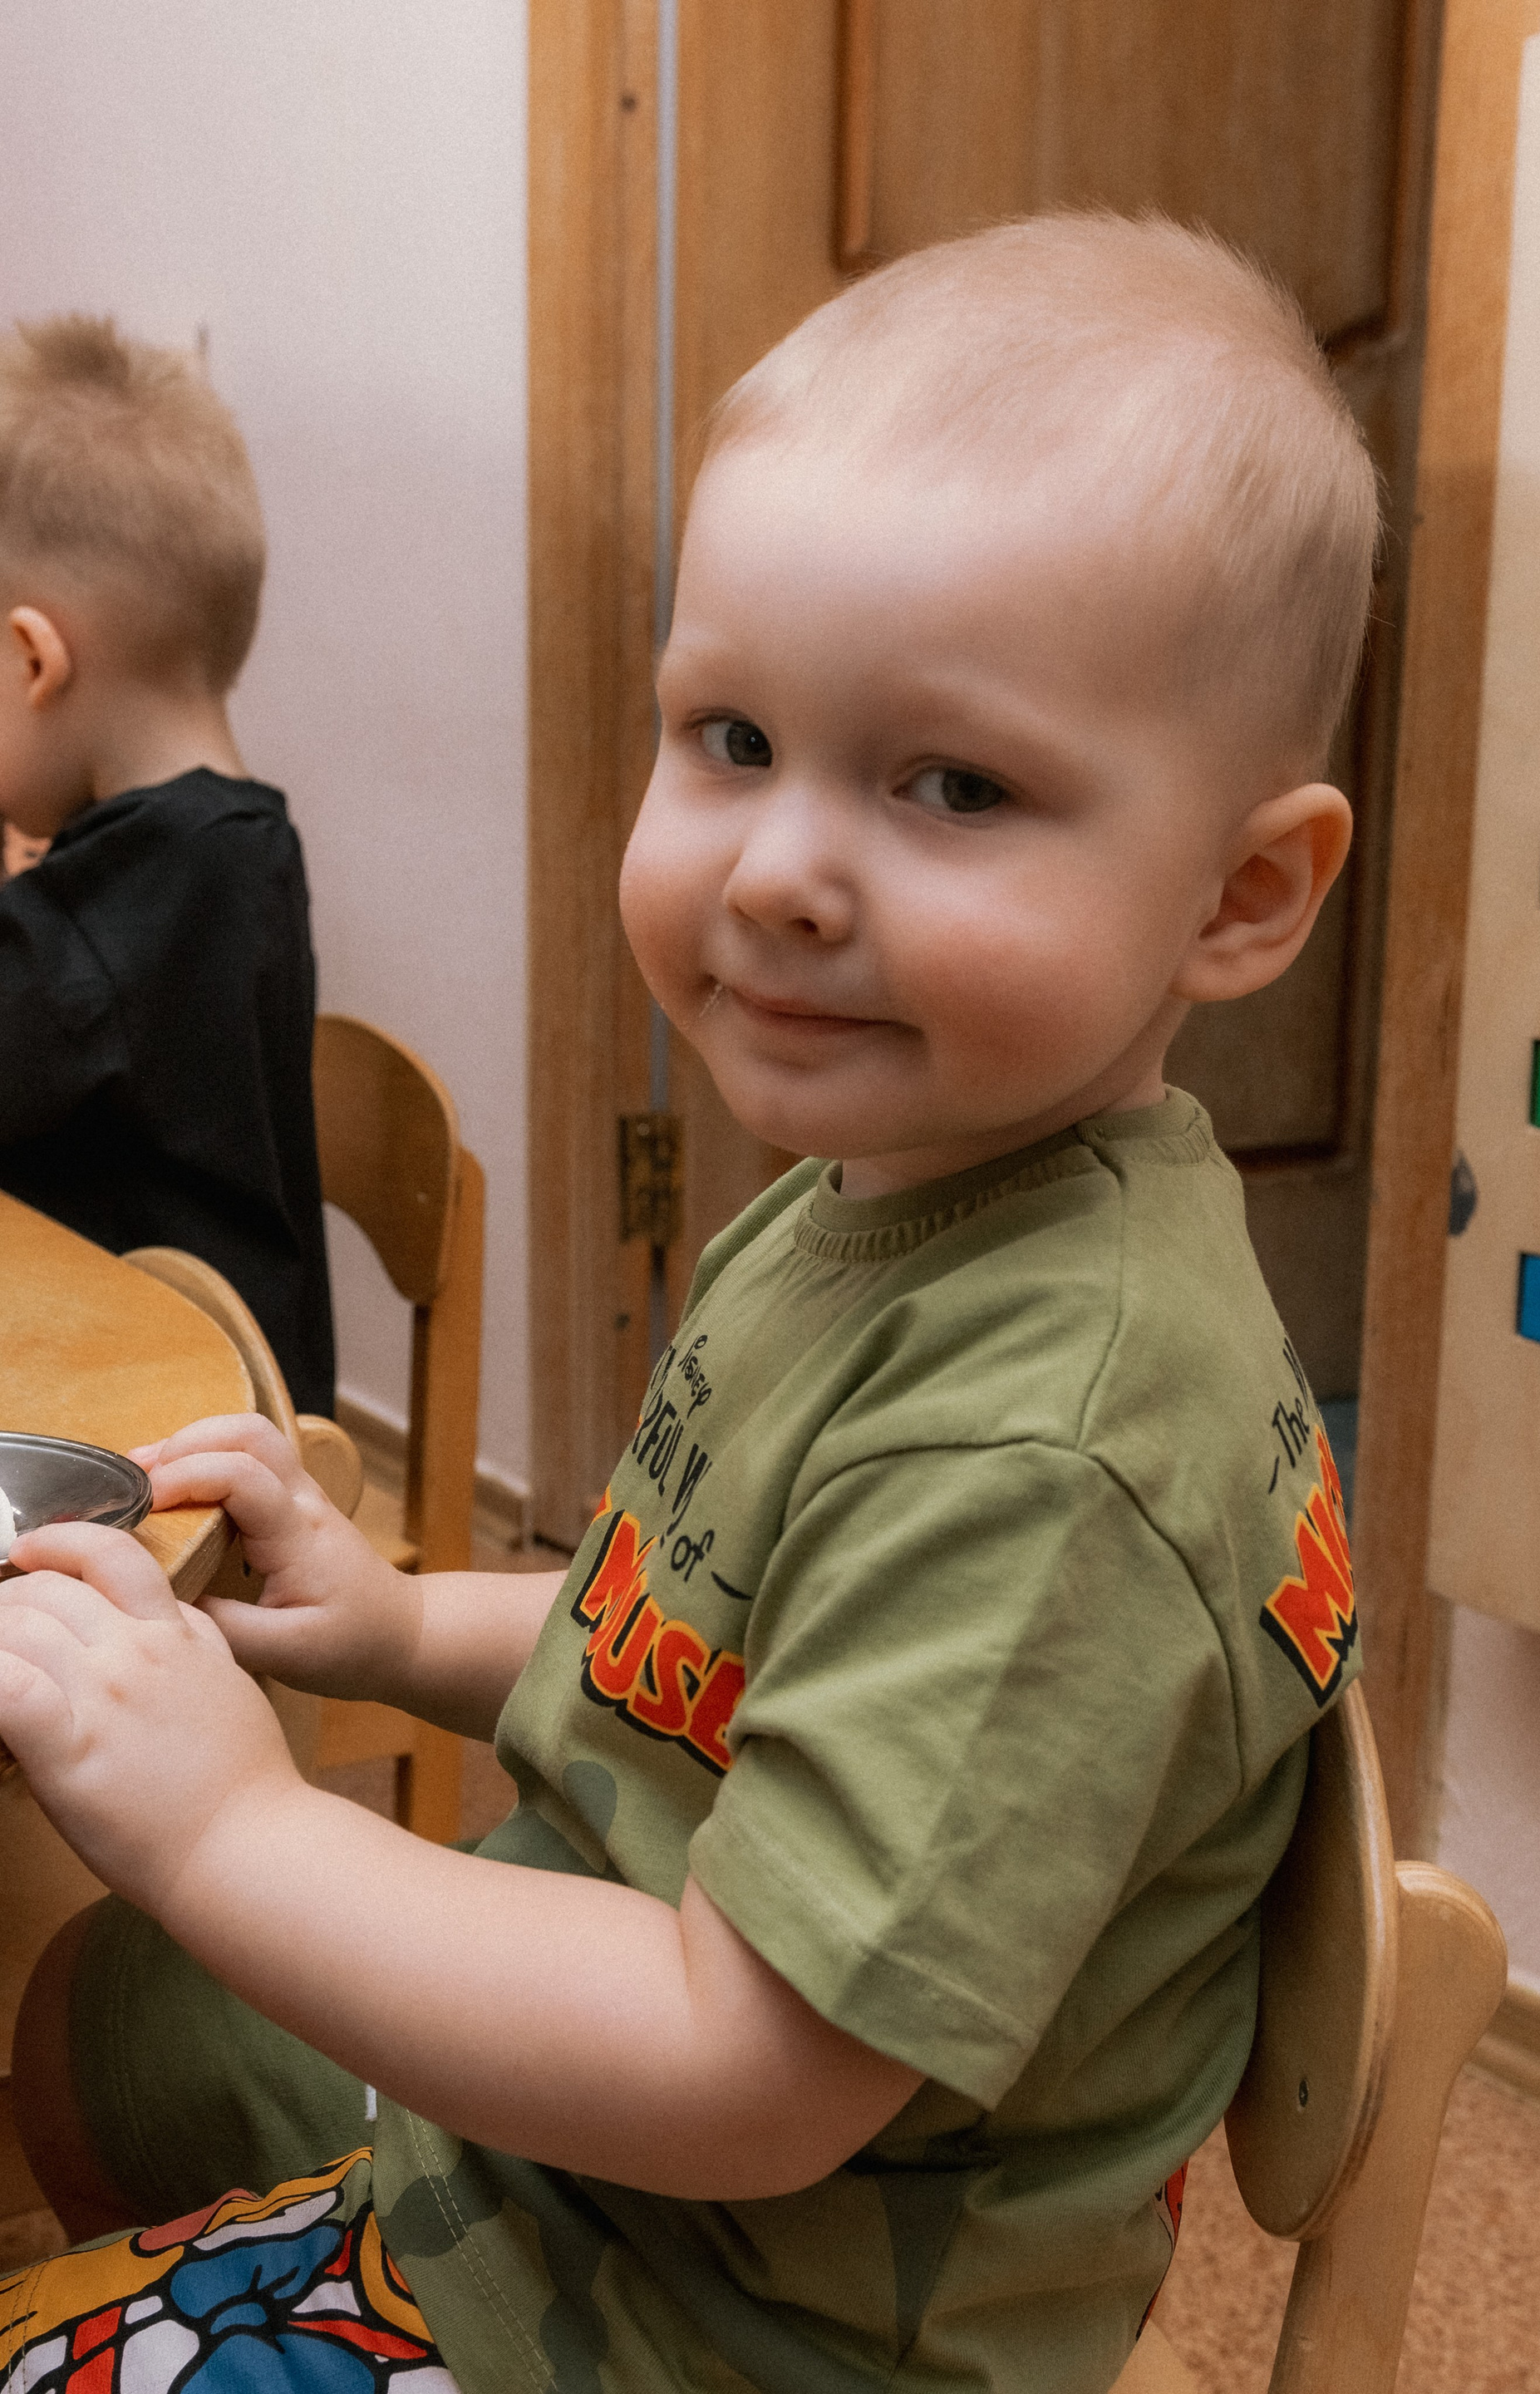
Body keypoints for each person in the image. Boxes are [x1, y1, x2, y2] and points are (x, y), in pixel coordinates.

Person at [0, 213, 1370, 2394]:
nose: (778, 869)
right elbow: (715, 1646)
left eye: (953, 785)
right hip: (584, 2204)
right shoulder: (884, 1203)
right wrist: (394, 1627)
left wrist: (237, 1824)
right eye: (731, 735)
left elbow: (745, 2072)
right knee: (118, 2017)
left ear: (1244, 892)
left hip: (710, 2327)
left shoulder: (1052, 1445)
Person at [0, 315, 334, 1415]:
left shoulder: (146, 890)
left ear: (35, 660)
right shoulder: (225, 847)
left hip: (179, 1433)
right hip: (185, 1394)